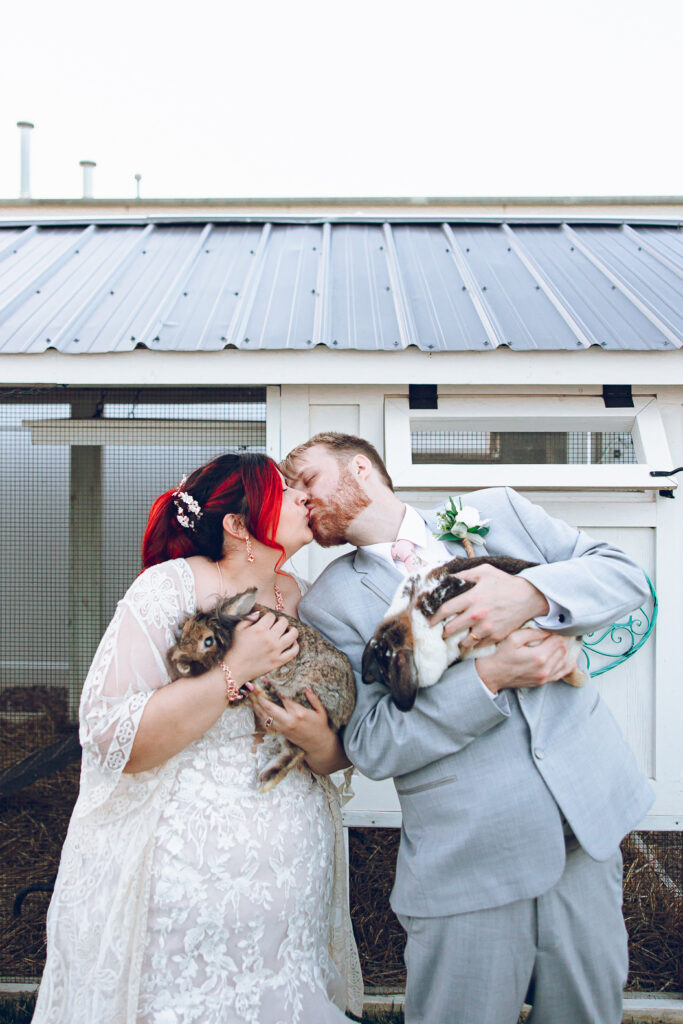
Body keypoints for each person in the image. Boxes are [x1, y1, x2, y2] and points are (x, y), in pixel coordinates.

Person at [282, 431, 654, 1024]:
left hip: (587, 826)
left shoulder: (500, 511)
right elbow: (372, 742)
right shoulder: (328, 603)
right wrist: (491, 676)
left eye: (306, 480)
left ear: (359, 468)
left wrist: (531, 593)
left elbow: (624, 576)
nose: (298, 498)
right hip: (470, 856)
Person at [32, 452, 363, 1024]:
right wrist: (234, 671)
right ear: (237, 524)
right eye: (285, 490)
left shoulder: (311, 596)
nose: (304, 496)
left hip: (293, 895)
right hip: (184, 887)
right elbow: (113, 737)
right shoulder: (168, 590)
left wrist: (317, 741)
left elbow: (336, 751)